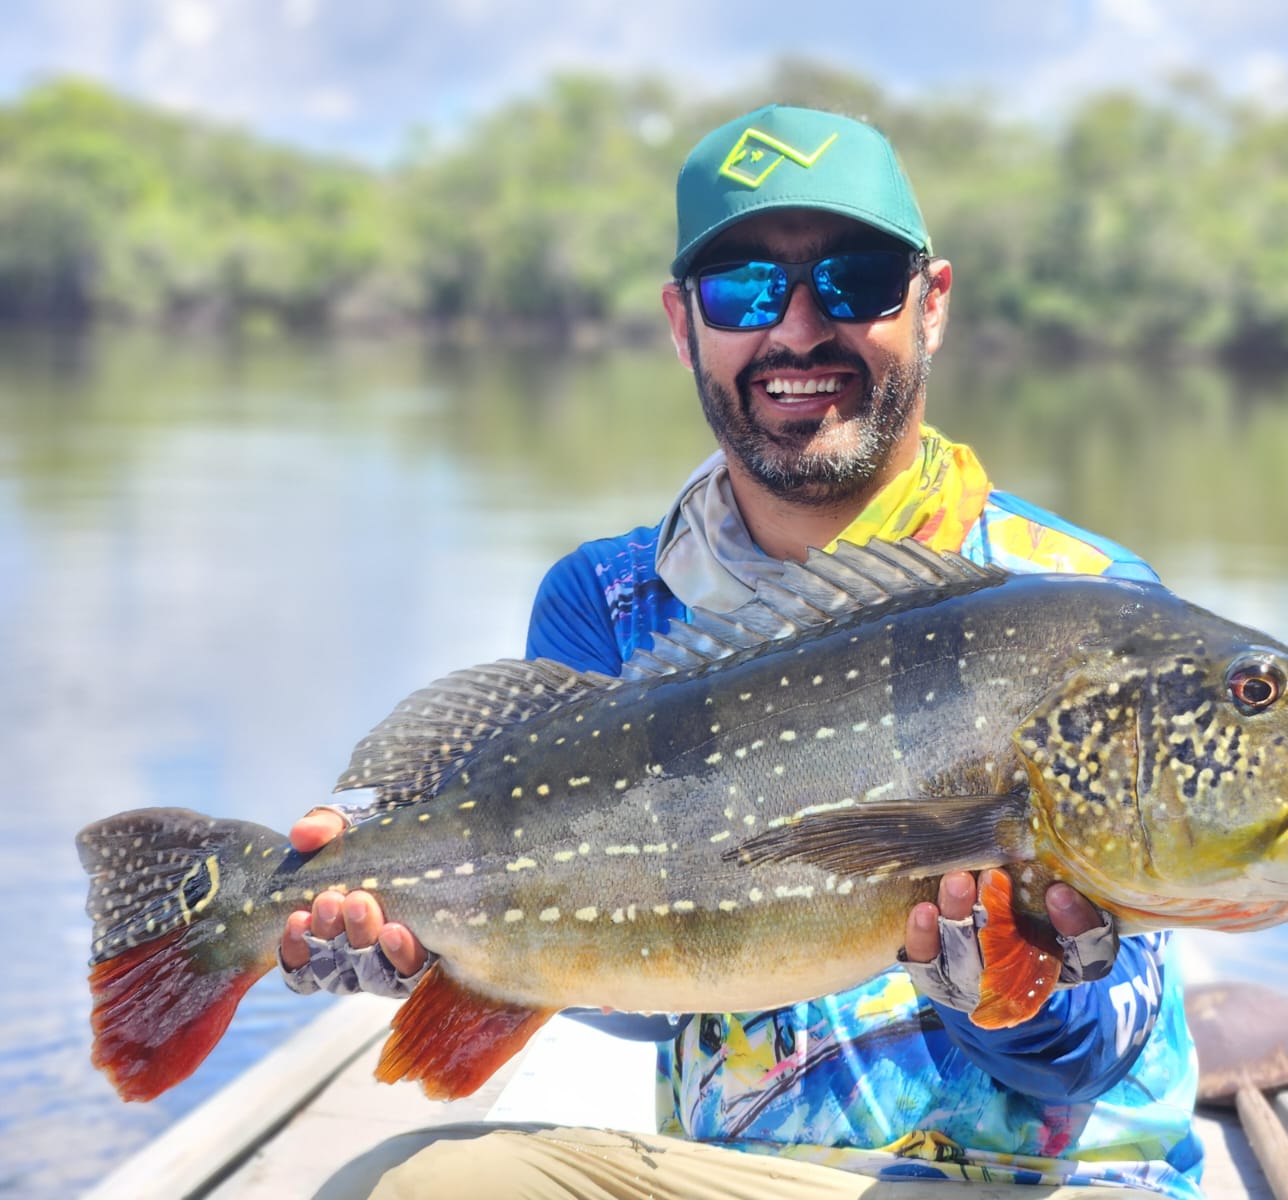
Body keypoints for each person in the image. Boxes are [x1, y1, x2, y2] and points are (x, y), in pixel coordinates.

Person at [279, 104, 1203, 1199]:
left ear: (932, 304)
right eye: (744, 290)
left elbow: (1102, 1050)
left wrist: (1020, 986)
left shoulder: (1083, 605)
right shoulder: (607, 602)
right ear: (682, 323)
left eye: (855, 280)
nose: (799, 330)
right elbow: (630, 1001)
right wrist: (441, 937)